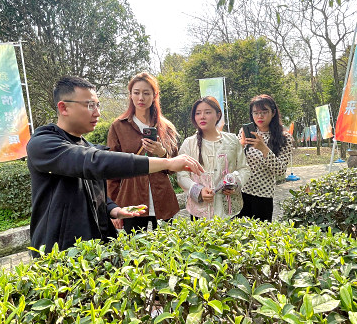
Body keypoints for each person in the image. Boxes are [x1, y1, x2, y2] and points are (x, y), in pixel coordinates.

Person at [26, 76, 203, 257]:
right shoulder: (43, 144)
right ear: (64, 107)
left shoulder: (86, 145)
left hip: (96, 247)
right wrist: (167, 161)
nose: (97, 113)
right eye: (89, 105)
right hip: (61, 251)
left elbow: (95, 189)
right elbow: (96, 163)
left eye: (97, 105)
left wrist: (113, 209)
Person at [107, 72, 180, 232]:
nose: (141, 98)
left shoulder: (165, 127)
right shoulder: (119, 126)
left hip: (162, 198)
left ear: (155, 95)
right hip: (131, 200)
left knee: (166, 251)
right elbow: (112, 170)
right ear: (130, 95)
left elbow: (174, 167)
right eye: (136, 92)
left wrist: (162, 153)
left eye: (146, 93)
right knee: (134, 251)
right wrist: (112, 207)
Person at [177, 96, 250, 219]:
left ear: (218, 115)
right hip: (199, 211)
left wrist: (235, 183)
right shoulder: (189, 143)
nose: (202, 117)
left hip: (229, 209)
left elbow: (244, 169)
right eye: (198, 113)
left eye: (208, 112)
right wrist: (198, 191)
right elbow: (181, 175)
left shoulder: (232, 140)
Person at [237, 94, 292, 222]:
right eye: (255, 113)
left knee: (259, 237)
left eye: (264, 112)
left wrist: (263, 148)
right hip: (240, 192)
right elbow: (234, 161)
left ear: (273, 113)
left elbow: (280, 171)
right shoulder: (246, 132)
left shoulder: (284, 138)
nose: (260, 116)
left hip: (263, 196)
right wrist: (240, 145)